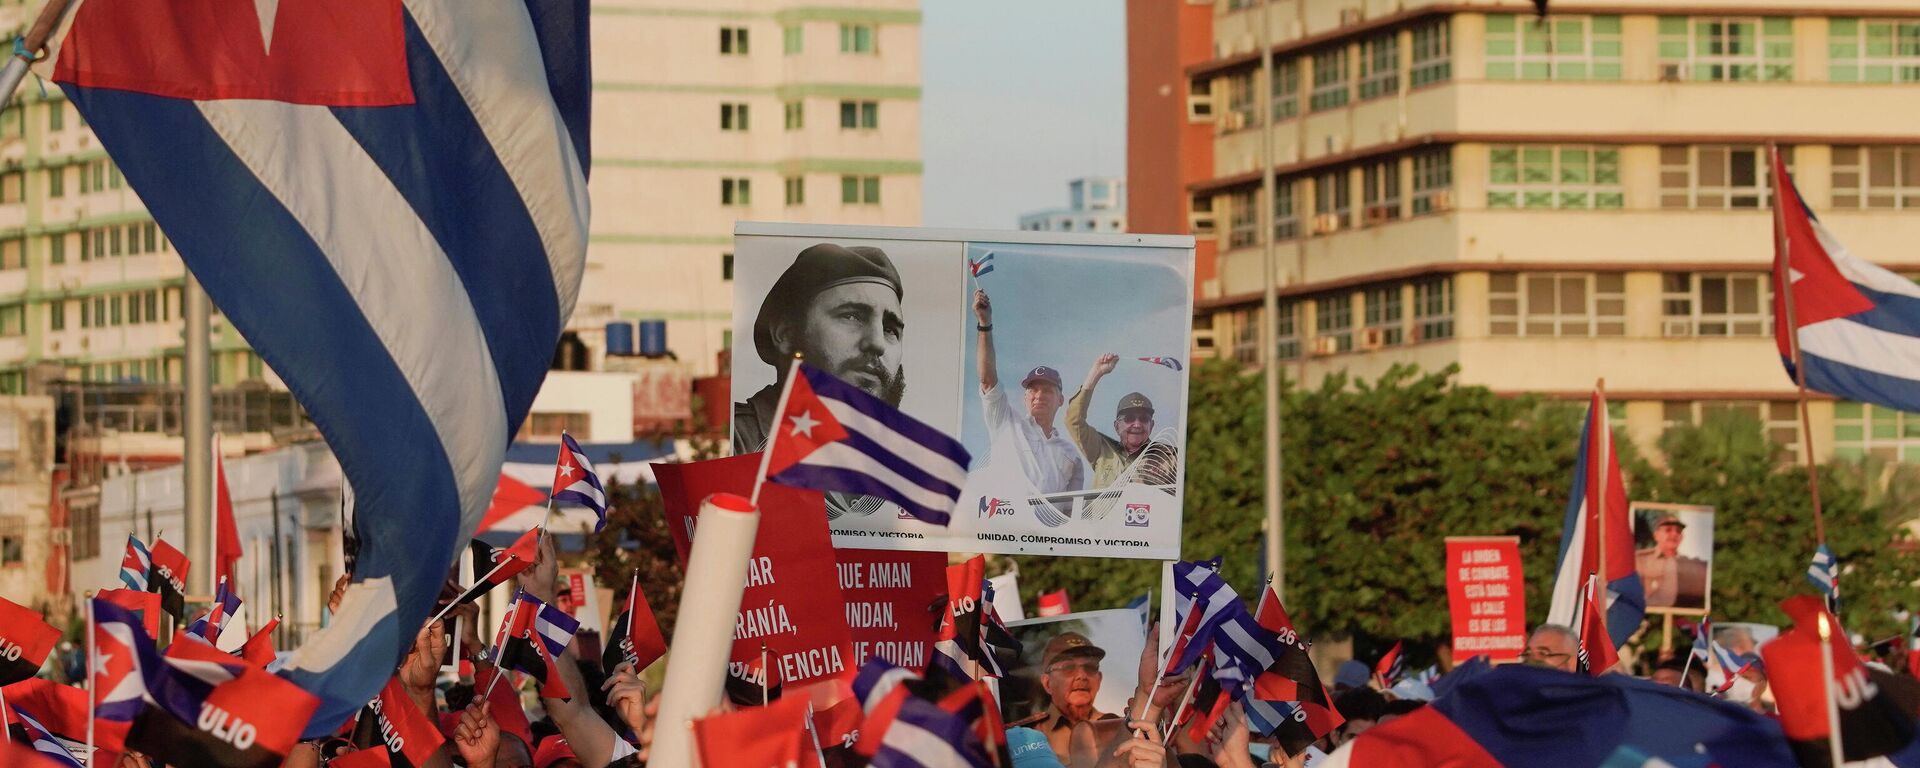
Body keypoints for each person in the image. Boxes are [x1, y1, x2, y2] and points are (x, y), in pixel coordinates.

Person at [733, 242, 907, 453]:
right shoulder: (734, 441)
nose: (878, 343)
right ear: (785, 334)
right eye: (851, 316)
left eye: (890, 329)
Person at [974, 289, 1086, 495]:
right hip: (1001, 524)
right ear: (1024, 397)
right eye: (1033, 390)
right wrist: (984, 323)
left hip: (1046, 528)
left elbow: (1070, 512)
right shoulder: (1005, 422)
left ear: (1060, 400)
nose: (1039, 395)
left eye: (1047, 390)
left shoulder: (1072, 456)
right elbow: (987, 380)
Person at [1068, 353, 1180, 488]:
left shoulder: (1170, 456)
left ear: (1152, 425)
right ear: (1116, 426)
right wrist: (1096, 373)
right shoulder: (1101, 450)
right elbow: (1073, 420)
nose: (1137, 424)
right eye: (1129, 418)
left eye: (1144, 419)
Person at [1009, 632, 1118, 761]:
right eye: (1068, 668)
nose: (1082, 676)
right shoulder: (1025, 736)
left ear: (1099, 679)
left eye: (1090, 667)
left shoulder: (1120, 727)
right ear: (1047, 683)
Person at [1635, 515, 1709, 609]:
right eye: (1668, 530)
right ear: (1656, 535)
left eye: (1678, 531)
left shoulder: (1690, 565)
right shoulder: (1640, 560)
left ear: (1682, 537)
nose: (1674, 534)